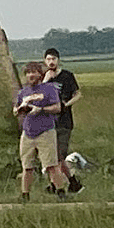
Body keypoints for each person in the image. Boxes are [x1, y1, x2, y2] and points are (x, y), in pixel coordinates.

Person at [13, 61, 69, 202]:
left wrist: (41, 109)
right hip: (27, 133)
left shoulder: (49, 89)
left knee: (51, 165)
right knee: (27, 166)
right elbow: (15, 108)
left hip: (45, 132)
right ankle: (25, 195)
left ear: (40, 74)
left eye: (33, 72)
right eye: (28, 73)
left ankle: (61, 192)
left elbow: (57, 107)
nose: (30, 75)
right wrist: (19, 110)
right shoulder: (23, 92)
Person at [42, 48, 84, 194]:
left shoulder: (67, 76)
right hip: (48, 122)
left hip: (64, 122)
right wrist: (46, 80)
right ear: (44, 61)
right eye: (48, 59)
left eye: (53, 59)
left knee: (59, 155)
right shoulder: (44, 77)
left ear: (58, 60)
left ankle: (65, 184)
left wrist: (67, 104)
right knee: (51, 157)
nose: (51, 62)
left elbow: (78, 94)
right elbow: (38, 95)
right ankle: (67, 184)